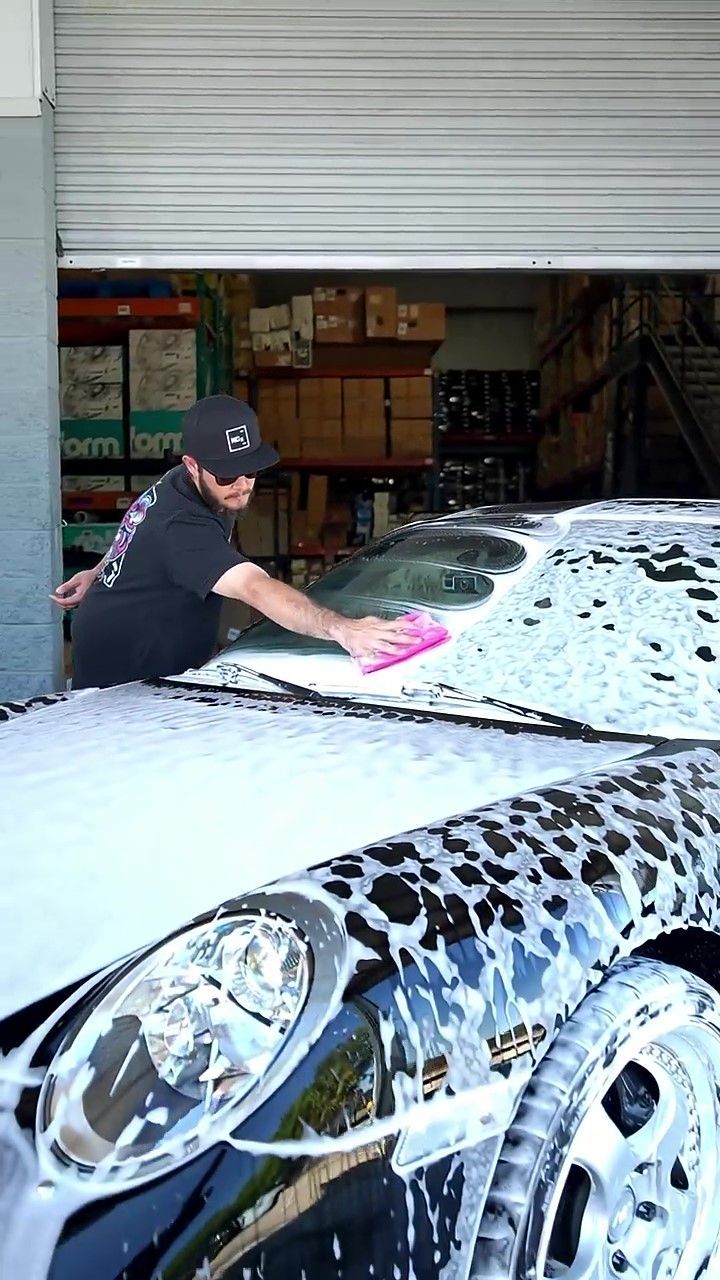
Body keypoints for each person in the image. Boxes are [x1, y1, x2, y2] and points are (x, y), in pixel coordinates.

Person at [52, 394, 413, 690]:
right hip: (125, 671)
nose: (242, 485)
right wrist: (342, 628)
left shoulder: (184, 483)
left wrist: (102, 571)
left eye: (251, 469)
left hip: (124, 629)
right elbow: (254, 588)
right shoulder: (183, 527)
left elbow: (136, 526)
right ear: (192, 465)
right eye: (227, 475)